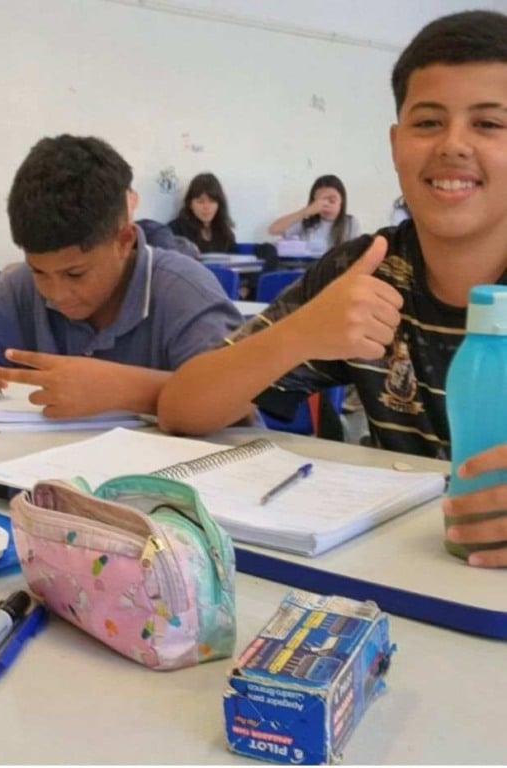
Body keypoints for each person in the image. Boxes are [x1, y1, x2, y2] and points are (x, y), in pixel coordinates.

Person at [158, 10, 507, 567]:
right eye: (427, 123)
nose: (454, 145)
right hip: (405, 575)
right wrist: (303, 332)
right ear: (396, 145)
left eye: (489, 124)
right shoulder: (363, 269)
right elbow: (182, 407)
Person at [0, 134, 242, 418]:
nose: (56, 293)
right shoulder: (26, 288)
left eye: (75, 273)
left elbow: (234, 402)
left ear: (123, 241)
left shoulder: (184, 292)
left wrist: (121, 389)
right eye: (39, 271)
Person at [267, 174, 361, 255]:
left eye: (332, 200)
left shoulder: (350, 223)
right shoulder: (306, 221)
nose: (326, 204)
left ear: (342, 201)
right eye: (320, 200)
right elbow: (273, 230)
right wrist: (306, 211)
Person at [168, 172, 237, 254]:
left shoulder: (225, 233)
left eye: (212, 201)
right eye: (200, 202)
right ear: (190, 204)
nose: (206, 207)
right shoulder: (175, 230)